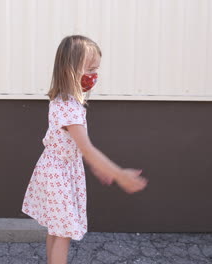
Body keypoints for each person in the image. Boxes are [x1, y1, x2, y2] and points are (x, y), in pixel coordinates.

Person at [21, 35, 148, 264]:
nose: (94, 75)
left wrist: (99, 167)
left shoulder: (64, 100)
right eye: (89, 69)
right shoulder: (69, 107)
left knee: (56, 230)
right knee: (63, 234)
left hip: (57, 169)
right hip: (59, 173)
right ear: (70, 70)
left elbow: (80, 149)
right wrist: (119, 174)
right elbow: (87, 148)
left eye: (96, 69)